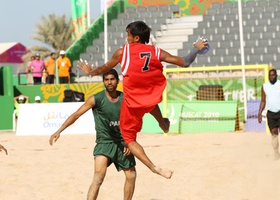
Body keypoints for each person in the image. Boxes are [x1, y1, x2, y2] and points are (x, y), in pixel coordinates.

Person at [78, 21, 208, 179]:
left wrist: (90, 71)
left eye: (129, 35)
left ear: (136, 38)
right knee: (151, 105)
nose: (127, 37)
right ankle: (163, 123)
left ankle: (154, 168)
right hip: (151, 99)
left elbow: (104, 68)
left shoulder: (123, 52)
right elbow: (185, 62)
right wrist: (196, 47)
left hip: (132, 104)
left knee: (129, 140)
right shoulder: (156, 51)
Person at [49, 69, 137, 200]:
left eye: (112, 79)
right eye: (106, 80)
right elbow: (76, 114)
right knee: (98, 177)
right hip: (104, 143)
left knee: (131, 175)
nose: (109, 82)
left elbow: (134, 120)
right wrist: (59, 130)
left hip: (122, 142)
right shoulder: (96, 99)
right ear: (103, 82)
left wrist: (130, 142)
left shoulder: (126, 99)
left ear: (118, 81)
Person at [258, 69, 280, 160]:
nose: (271, 77)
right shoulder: (264, 86)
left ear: (276, 75)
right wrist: (259, 113)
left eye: (273, 75)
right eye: (270, 75)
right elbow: (263, 100)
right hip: (271, 113)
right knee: (274, 133)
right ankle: (276, 154)